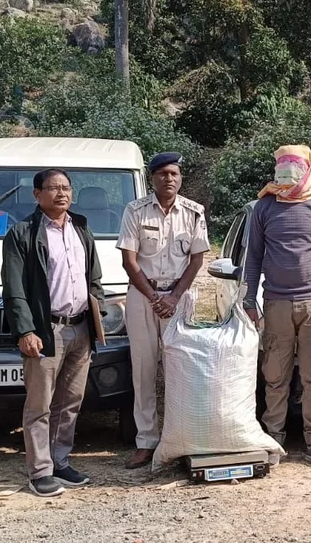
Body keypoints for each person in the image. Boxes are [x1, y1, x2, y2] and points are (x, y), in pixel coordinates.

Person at [242, 145, 311, 469]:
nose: (288, 171)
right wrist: (249, 300)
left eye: (295, 165)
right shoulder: (264, 206)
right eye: (283, 164)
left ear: (308, 167)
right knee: (275, 376)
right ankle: (274, 440)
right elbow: (254, 258)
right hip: (276, 304)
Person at [2, 169, 105, 496]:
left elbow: (94, 278)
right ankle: (40, 471)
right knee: (40, 405)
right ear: (37, 194)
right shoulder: (23, 234)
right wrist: (25, 330)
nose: (61, 194)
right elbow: (14, 288)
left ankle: (60, 462)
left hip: (80, 329)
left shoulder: (81, 228)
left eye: (66, 188)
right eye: (53, 188)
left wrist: (97, 307)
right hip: (46, 332)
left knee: (70, 402)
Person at [116, 152, 209, 469]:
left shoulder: (194, 213)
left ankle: (180, 439)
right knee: (143, 370)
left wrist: (173, 296)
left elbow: (197, 259)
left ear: (180, 178)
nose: (169, 179)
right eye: (163, 174)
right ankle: (146, 442)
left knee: (181, 370)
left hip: (179, 297)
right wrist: (155, 295)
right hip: (143, 296)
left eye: (174, 174)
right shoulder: (135, 210)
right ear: (152, 178)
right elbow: (129, 260)